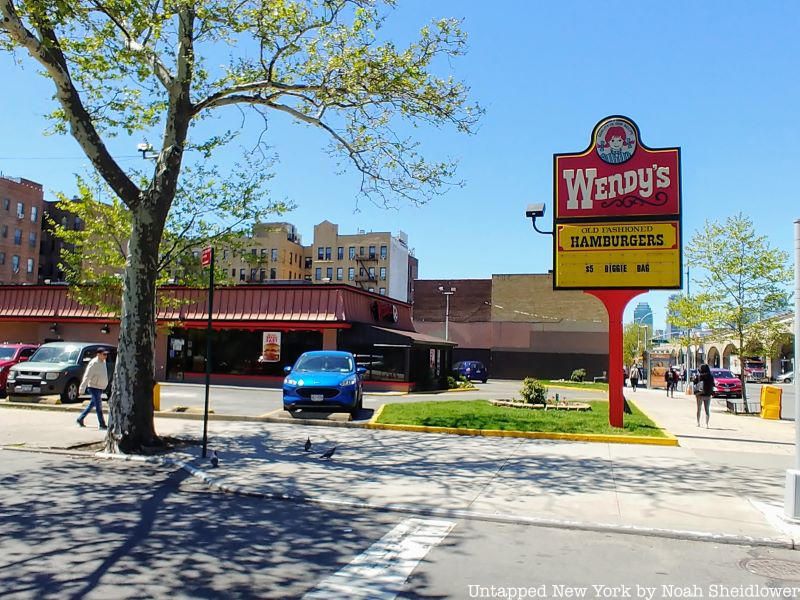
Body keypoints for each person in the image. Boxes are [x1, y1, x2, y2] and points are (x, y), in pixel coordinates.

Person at [77, 348, 110, 430]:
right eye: (104, 354)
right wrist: (82, 388)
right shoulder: (93, 363)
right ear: (98, 354)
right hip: (93, 387)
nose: (105, 356)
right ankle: (102, 424)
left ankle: (80, 418)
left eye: (106, 354)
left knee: (92, 404)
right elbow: (87, 376)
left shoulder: (103, 362)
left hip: (100, 387)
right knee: (99, 406)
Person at [693, 363, 715, 428]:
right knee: (707, 409)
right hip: (708, 395)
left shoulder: (699, 376)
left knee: (699, 409)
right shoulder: (711, 376)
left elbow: (694, 382)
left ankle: (698, 422)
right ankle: (706, 424)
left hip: (700, 394)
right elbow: (713, 384)